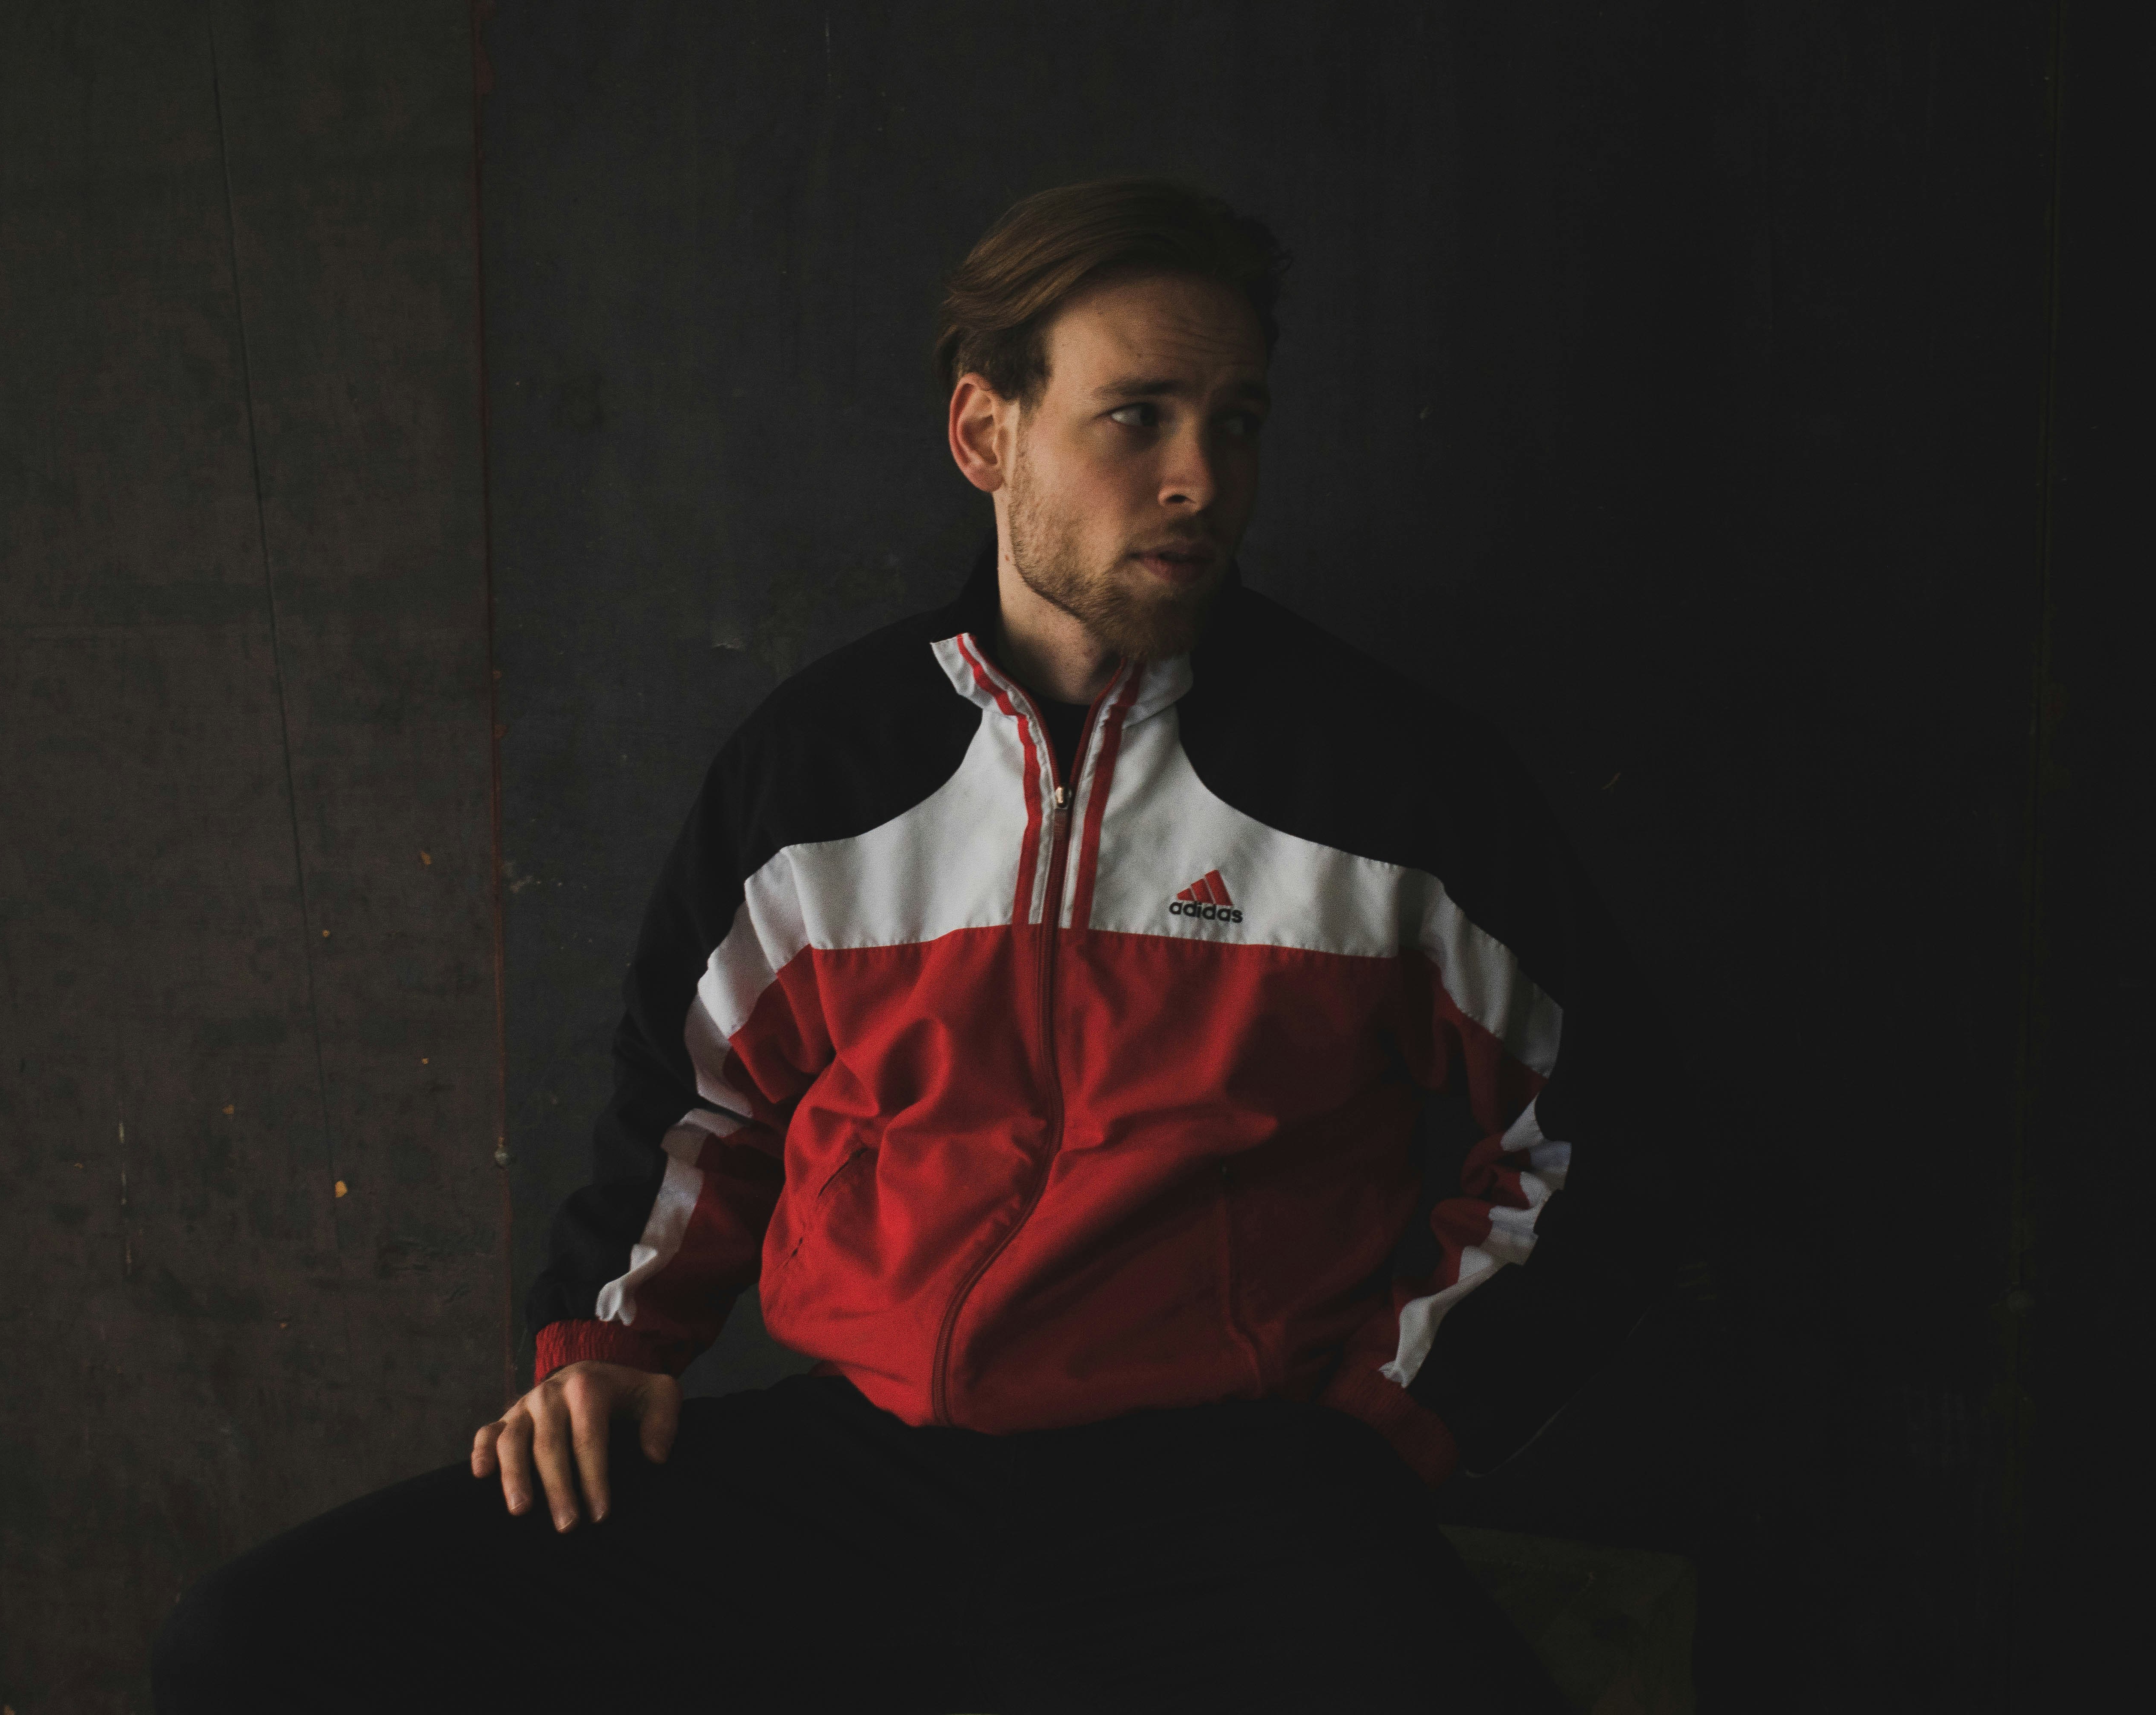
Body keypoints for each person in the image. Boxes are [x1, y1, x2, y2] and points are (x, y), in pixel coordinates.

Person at [153, 177, 1687, 1714]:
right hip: (863, 1476)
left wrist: (1385, 1435)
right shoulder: (820, 769)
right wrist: (612, 1346)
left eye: (1240, 421)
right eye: (1137, 418)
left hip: (1229, 1497)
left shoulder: (1392, 782)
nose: (1201, 480)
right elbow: (696, 1104)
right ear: (986, 435)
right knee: (256, 1647)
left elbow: (1594, 1135)